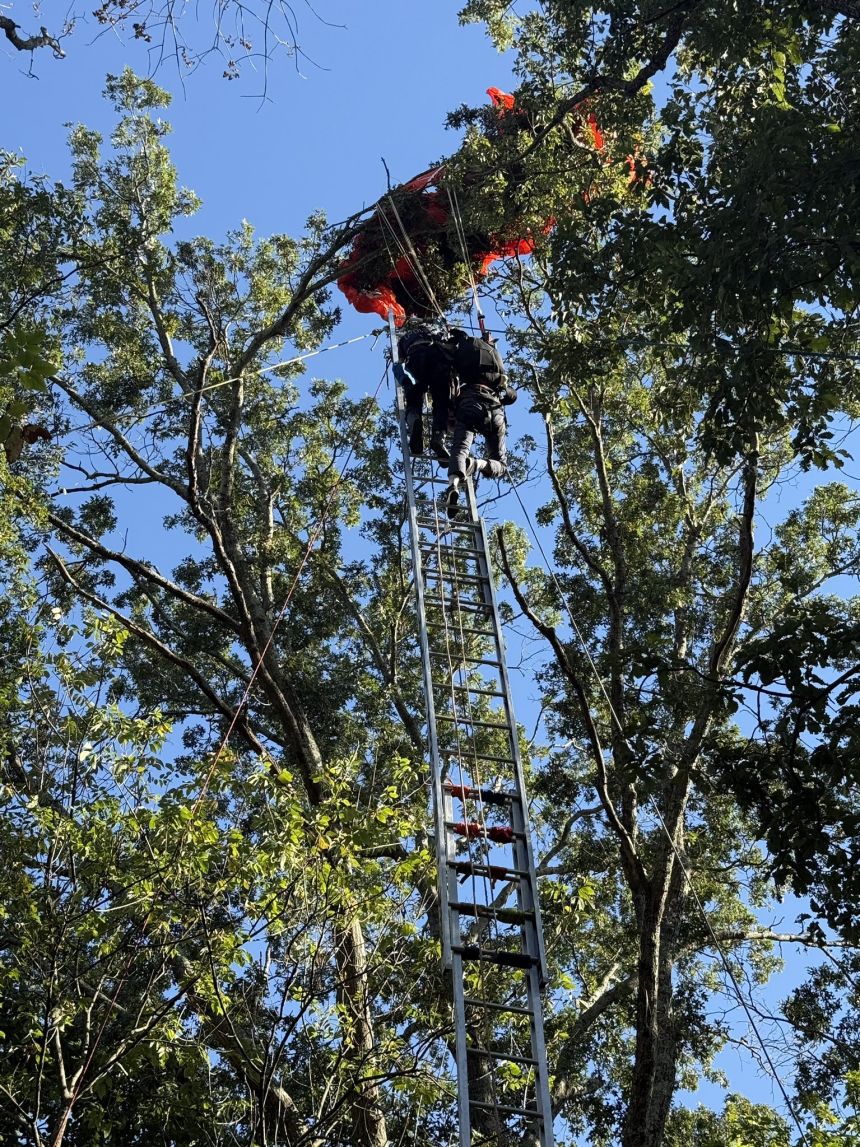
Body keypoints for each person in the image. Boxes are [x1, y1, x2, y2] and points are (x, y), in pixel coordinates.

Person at [445, 330, 516, 518]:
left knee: (460, 447)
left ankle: (453, 484)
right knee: (501, 464)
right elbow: (511, 395)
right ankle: (477, 464)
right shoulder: (496, 362)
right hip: (495, 409)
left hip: (471, 401)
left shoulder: (463, 355)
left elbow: (450, 380)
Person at [395, 325, 457, 458]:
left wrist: (403, 378)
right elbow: (451, 346)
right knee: (441, 402)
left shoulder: (404, 338)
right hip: (438, 359)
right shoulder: (437, 330)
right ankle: (438, 437)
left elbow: (400, 362)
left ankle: (415, 421)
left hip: (416, 358)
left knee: (414, 399)